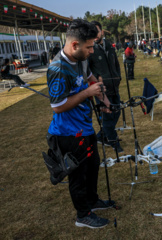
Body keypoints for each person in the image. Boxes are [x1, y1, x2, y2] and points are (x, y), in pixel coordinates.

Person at [46, 19, 114, 229]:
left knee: (93, 166)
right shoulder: (58, 68)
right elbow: (57, 106)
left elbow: (91, 77)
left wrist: (104, 99)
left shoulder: (81, 58)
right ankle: (83, 215)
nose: (92, 51)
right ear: (74, 45)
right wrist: (87, 93)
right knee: (79, 175)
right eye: (89, 46)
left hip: (84, 127)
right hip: (68, 133)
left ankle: (92, 201)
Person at [88, 21, 123, 152]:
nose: (95, 34)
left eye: (96, 31)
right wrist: (97, 78)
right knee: (108, 116)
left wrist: (118, 77)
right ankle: (114, 142)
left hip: (114, 85)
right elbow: (88, 70)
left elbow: (116, 64)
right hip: (102, 88)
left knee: (117, 110)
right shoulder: (90, 49)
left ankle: (101, 136)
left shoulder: (109, 46)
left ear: (101, 31)